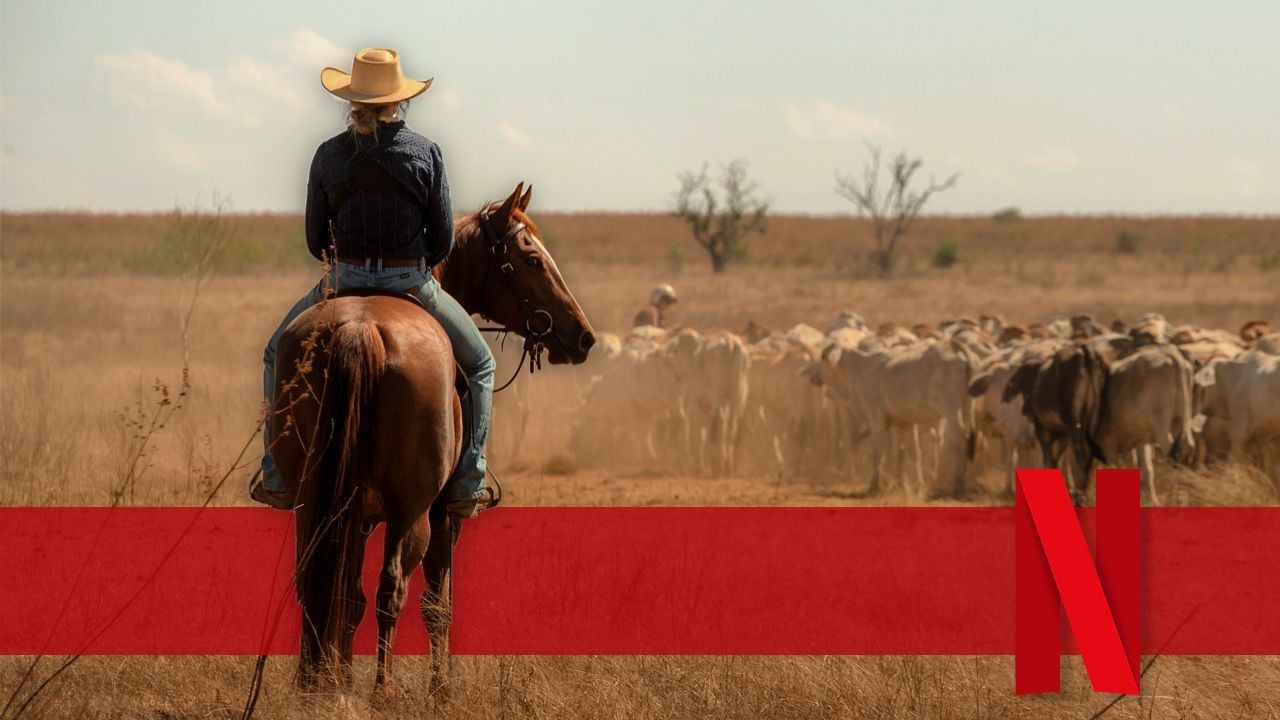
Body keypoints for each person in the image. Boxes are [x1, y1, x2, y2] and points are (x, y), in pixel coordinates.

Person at [252, 48, 494, 520]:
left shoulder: (326, 154)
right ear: (399, 102)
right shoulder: (426, 152)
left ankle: (277, 475)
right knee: (481, 365)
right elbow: (443, 238)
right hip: (411, 282)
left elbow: (313, 239)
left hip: (342, 278)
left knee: (273, 353)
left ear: (352, 100)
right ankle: (469, 479)